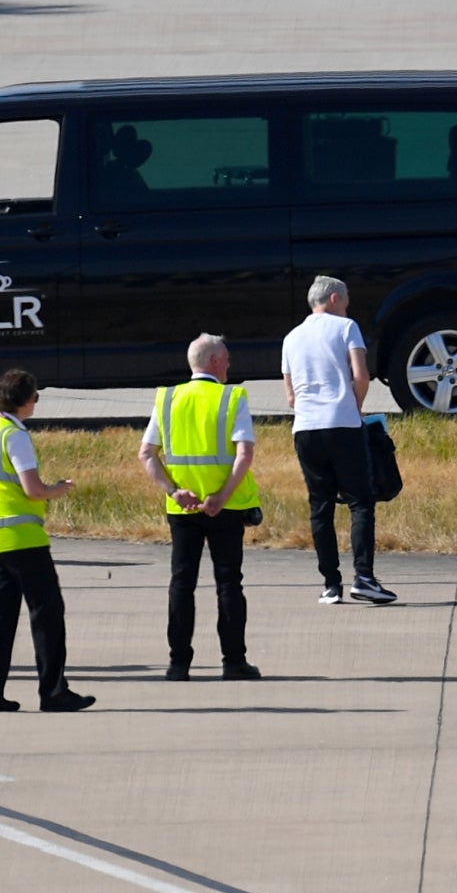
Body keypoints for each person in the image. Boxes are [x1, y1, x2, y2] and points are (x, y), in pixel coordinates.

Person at [0, 370, 94, 713]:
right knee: (47, 613)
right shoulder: (16, 436)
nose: (36, 402)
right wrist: (57, 490)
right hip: (23, 538)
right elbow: (32, 488)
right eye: (35, 396)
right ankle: (54, 691)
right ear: (24, 401)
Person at [140, 334, 263, 681]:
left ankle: (179, 663)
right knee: (229, 583)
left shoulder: (167, 398)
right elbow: (245, 454)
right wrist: (222, 497)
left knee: (182, 583)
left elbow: (146, 453)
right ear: (213, 361)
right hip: (224, 507)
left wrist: (173, 491)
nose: (229, 364)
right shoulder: (231, 397)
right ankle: (233, 661)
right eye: (225, 358)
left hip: (183, 509)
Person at [283, 276, 394, 605]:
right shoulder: (346, 328)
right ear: (334, 299)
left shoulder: (291, 338)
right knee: (360, 501)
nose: (347, 307)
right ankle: (364, 577)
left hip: (305, 428)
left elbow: (290, 396)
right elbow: (361, 376)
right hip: (342, 424)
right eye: (344, 301)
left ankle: (331, 583)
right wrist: (354, 408)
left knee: (321, 506)